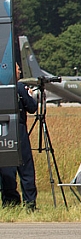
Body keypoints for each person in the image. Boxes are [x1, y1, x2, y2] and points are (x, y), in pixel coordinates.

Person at [1, 63, 37, 210]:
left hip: (3, 131)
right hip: (18, 128)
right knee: (26, 168)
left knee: (6, 168)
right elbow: (32, 107)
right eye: (17, 68)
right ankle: (29, 203)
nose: (20, 71)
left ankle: (10, 202)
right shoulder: (19, 87)